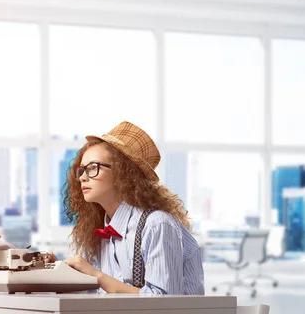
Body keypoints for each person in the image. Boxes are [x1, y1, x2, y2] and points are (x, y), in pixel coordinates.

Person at [59, 121, 204, 295]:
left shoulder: (157, 225)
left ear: (123, 174)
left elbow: (164, 302)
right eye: (81, 170)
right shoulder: (101, 230)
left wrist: (97, 276)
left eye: (93, 168)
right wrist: (58, 272)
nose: (82, 177)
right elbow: (96, 294)